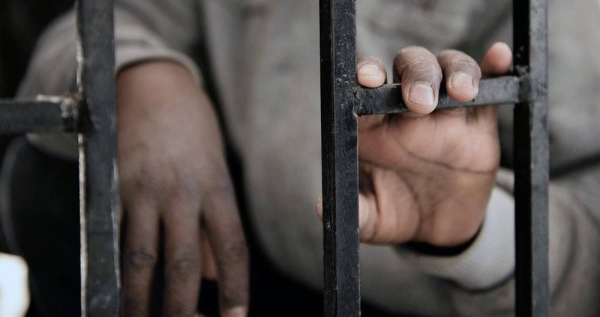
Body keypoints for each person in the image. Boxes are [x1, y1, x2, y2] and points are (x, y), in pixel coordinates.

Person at [3, 0, 600, 316]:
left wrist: (472, 232)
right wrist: (144, 78)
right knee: (55, 178)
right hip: (252, 256)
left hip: (454, 296)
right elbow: (96, 23)